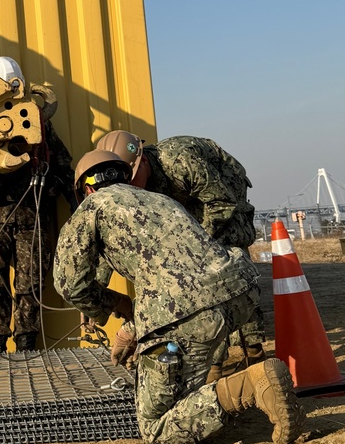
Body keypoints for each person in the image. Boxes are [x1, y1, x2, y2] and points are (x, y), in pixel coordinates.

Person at [53, 151, 306, 444]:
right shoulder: (162, 201)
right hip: (239, 289)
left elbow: (70, 285)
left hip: (187, 316)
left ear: (86, 189)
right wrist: (136, 328)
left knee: (156, 427)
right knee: (178, 362)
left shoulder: (92, 207)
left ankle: (251, 385)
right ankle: (221, 386)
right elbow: (184, 276)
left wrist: (116, 305)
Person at [96, 130, 264, 378]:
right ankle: (215, 359)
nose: (127, 189)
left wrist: (197, 250)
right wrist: (95, 291)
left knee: (225, 270)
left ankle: (253, 349)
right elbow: (115, 239)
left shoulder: (179, 161)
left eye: (130, 180)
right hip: (188, 204)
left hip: (224, 195)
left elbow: (221, 203)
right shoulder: (132, 189)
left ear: (142, 162)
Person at [0, 59, 75, 354]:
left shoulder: (37, 122)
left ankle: (26, 344)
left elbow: (62, 163)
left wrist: (72, 199)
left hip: (31, 217)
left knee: (30, 286)